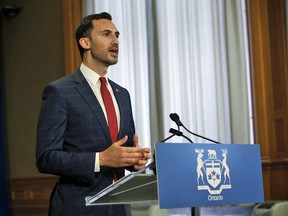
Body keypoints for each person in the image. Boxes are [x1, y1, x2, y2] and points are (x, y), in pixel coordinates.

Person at [36, 12, 151, 216]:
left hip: (119, 208)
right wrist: (101, 159)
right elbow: (46, 157)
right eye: (106, 34)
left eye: (117, 35)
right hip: (79, 207)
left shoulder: (122, 94)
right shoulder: (60, 92)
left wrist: (134, 160)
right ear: (85, 42)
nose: (115, 40)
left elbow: (120, 152)